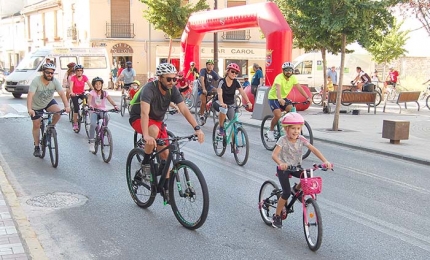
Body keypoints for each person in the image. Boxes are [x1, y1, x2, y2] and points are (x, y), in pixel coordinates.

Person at [129, 63, 204, 193]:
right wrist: (146, 136)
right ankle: (146, 164)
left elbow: (184, 109)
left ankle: (166, 190)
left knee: (165, 153)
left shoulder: (173, 89)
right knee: (153, 131)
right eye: (168, 79)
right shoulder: (149, 89)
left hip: (157, 120)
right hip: (138, 118)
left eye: (174, 79)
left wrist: (197, 128)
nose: (172, 82)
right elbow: (144, 113)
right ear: (160, 78)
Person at [271, 112, 332, 228]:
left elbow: (313, 149)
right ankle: (277, 215)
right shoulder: (282, 140)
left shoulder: (301, 139)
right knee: (286, 193)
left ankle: (296, 189)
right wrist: (281, 163)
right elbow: (274, 155)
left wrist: (325, 161)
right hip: (284, 169)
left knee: (307, 174)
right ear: (286, 129)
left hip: (296, 167)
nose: (296, 131)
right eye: (293, 128)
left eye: (298, 128)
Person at [27, 63, 70, 157]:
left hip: (48, 102)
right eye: (48, 72)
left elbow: (62, 94)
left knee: (58, 112)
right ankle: (37, 146)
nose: (50, 74)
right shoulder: (36, 81)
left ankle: (51, 127)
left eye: (52, 73)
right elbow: (30, 95)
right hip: (36, 105)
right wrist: (30, 109)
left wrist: (67, 106)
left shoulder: (54, 81)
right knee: (36, 124)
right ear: (43, 72)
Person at [266, 62, 311, 142]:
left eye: (290, 70)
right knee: (278, 114)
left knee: (292, 110)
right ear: (283, 71)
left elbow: (299, 88)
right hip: (273, 97)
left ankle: (286, 126)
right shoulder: (279, 77)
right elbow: (278, 89)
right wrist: (279, 99)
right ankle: (271, 131)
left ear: (292, 71)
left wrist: (307, 97)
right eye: (286, 70)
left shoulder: (293, 78)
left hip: (283, 97)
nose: (288, 72)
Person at [213, 63, 252, 136]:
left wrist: (248, 102)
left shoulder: (236, 82)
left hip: (230, 104)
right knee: (223, 109)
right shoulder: (222, 81)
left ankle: (234, 146)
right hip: (219, 102)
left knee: (234, 124)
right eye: (232, 71)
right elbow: (219, 93)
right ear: (228, 71)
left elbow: (242, 92)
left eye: (236, 73)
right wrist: (221, 103)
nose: (234, 74)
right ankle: (221, 127)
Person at [87, 77, 119, 152]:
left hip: (102, 111)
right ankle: (91, 143)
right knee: (92, 124)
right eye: (96, 84)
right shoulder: (92, 93)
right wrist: (90, 106)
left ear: (101, 85)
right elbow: (89, 100)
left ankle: (104, 130)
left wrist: (115, 105)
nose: (98, 85)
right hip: (94, 111)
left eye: (99, 84)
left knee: (106, 117)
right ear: (94, 85)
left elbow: (110, 100)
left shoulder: (104, 93)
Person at [70, 64, 93, 132]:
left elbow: (90, 85)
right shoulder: (73, 78)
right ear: (75, 71)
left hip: (82, 93)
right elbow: (71, 86)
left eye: (81, 70)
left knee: (87, 99)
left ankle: (85, 110)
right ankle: (75, 123)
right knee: (76, 108)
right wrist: (71, 92)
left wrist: (94, 91)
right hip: (75, 94)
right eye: (78, 71)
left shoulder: (84, 77)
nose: (79, 72)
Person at [198, 59, 220, 125]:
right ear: (206, 65)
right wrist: (204, 89)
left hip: (209, 87)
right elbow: (202, 79)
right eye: (209, 64)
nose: (210, 66)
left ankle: (211, 105)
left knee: (218, 91)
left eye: (212, 65)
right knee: (204, 102)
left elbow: (219, 79)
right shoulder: (203, 70)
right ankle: (201, 115)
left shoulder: (213, 73)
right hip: (202, 87)